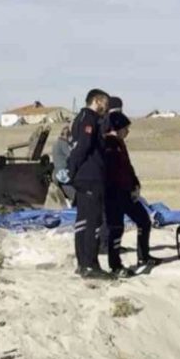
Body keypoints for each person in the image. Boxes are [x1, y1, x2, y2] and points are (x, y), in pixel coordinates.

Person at [66, 88, 112, 279]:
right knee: (93, 221)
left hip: (83, 177)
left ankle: (82, 263)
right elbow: (83, 146)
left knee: (83, 221)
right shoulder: (89, 118)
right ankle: (90, 264)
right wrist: (72, 169)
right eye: (106, 103)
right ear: (97, 100)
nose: (107, 108)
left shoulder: (80, 117)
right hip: (90, 176)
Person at [102, 111, 155, 276]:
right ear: (118, 128)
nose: (128, 132)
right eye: (126, 128)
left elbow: (127, 168)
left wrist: (135, 184)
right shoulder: (108, 144)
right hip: (113, 193)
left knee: (144, 221)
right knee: (116, 228)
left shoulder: (120, 143)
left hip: (127, 192)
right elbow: (111, 171)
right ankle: (115, 265)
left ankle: (143, 256)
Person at [51, 124, 75, 203]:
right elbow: (71, 155)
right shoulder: (63, 143)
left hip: (57, 171)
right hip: (63, 172)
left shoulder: (56, 142)